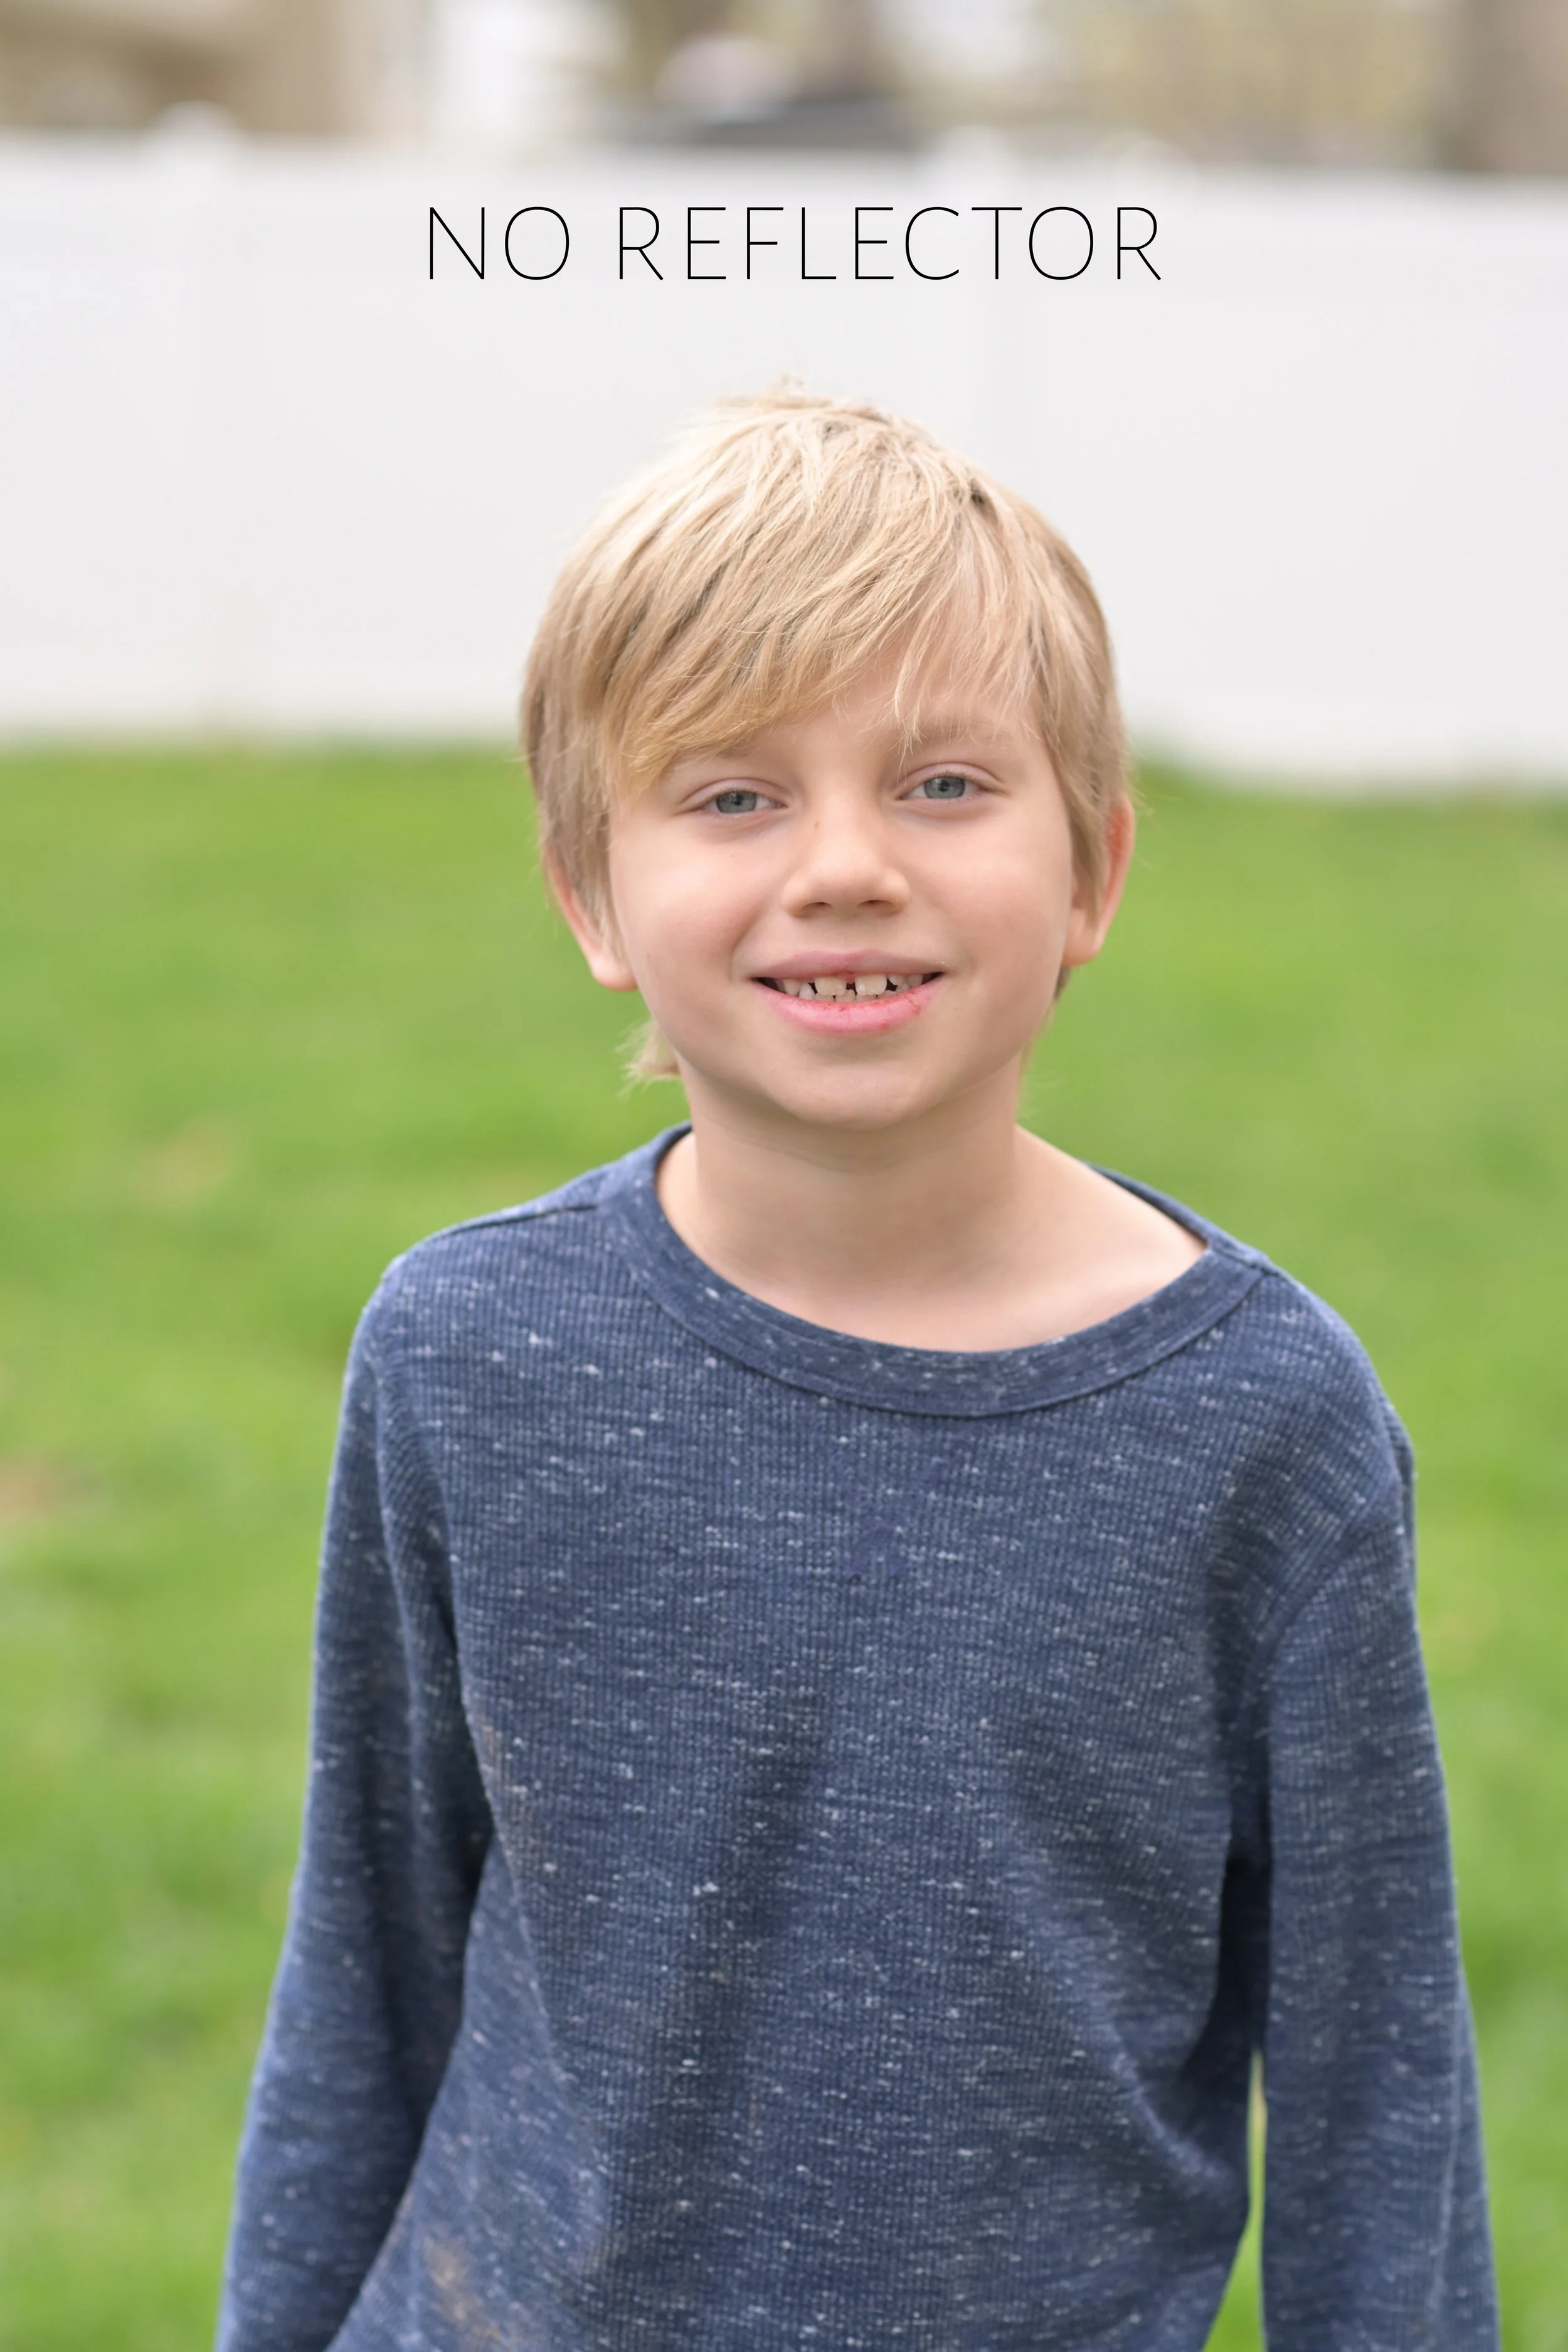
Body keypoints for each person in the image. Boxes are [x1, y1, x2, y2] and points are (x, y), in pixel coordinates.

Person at [217, 393, 1498, 2350]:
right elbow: (366, 1965)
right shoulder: (468, 1359)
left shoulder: (1263, 1426)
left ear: (1094, 871)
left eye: (944, 783)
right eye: (732, 795)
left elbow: (1374, 2087)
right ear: (590, 892)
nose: (842, 867)